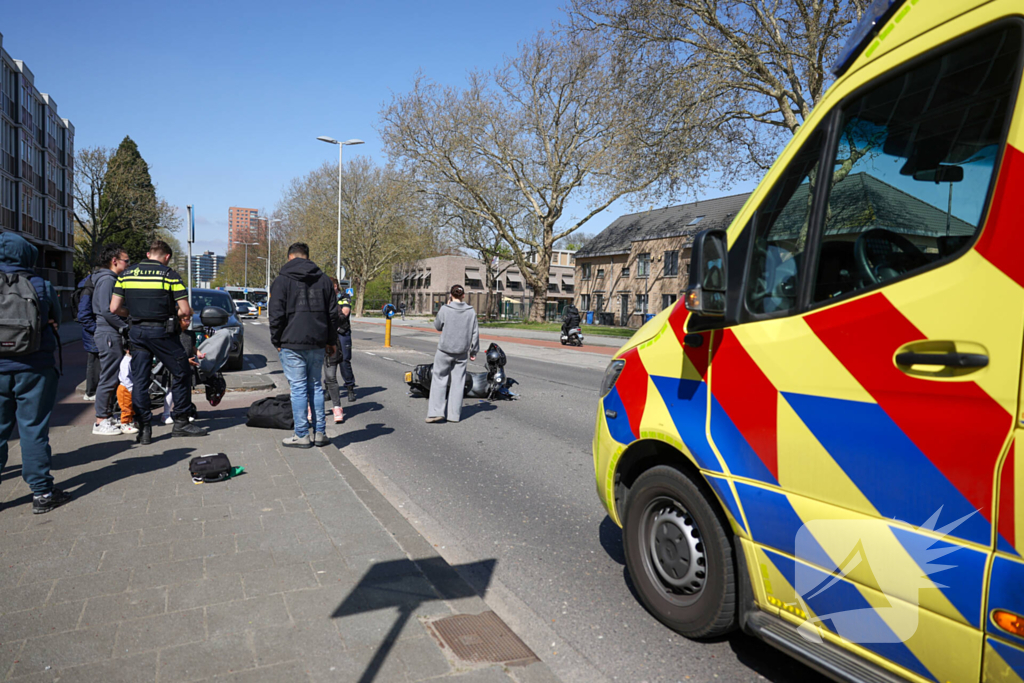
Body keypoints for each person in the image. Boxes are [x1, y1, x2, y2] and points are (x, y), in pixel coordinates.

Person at [109, 239, 208, 444]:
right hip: (162, 333)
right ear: (167, 256)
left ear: (148, 254)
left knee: (140, 380)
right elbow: (185, 310)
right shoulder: (169, 275)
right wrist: (170, 314)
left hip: (137, 333)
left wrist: (133, 314)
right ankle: (181, 422)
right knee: (181, 371)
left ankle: (144, 429)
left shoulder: (126, 275)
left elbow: (114, 308)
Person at [0, 233, 71, 514]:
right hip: (35, 368)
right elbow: (58, 320)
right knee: (33, 430)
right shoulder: (41, 285)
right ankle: (42, 493)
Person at [269, 242, 338, 449]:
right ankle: (320, 433)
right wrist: (331, 341)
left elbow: (276, 314)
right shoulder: (324, 280)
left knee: (298, 388)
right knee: (315, 386)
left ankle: (301, 435)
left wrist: (276, 340)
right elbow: (332, 315)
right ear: (307, 256)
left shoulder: (282, 280)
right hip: (317, 342)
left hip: (291, 342)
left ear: (290, 257)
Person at [91, 244, 131, 436]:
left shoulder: (107, 279)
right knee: (109, 376)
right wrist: (125, 327)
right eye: (126, 260)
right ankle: (101, 421)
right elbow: (108, 311)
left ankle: (106, 415)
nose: (128, 264)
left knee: (112, 375)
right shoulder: (108, 280)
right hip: (109, 333)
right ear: (114, 261)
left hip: (109, 332)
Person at [426, 284, 480, 424]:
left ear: (451, 295)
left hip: (444, 350)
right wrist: (473, 351)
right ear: (463, 296)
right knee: (458, 382)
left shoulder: (445, 309)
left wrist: (446, 307)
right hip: (461, 352)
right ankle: (453, 415)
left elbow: (437, 326)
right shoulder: (470, 311)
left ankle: (436, 412)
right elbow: (475, 332)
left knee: (439, 379)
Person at [323, 279, 356, 424]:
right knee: (329, 362)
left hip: (342, 333)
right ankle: (328, 390)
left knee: (344, 361)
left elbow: (344, 315)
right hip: (329, 334)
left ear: (336, 286)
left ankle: (349, 388)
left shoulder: (344, 298)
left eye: (333, 287)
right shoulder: (324, 298)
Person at [76, 269, 100, 401]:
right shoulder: (88, 290)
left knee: (95, 362)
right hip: (92, 333)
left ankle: (92, 391)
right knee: (94, 362)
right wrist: (96, 329)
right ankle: (91, 392)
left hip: (92, 331)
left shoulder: (88, 287)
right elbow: (83, 315)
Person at [117, 349, 138, 435]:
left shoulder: (130, 359)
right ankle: (124, 424)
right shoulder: (126, 361)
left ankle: (130, 421)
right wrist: (130, 388)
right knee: (126, 407)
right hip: (125, 388)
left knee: (131, 406)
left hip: (128, 387)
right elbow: (125, 376)